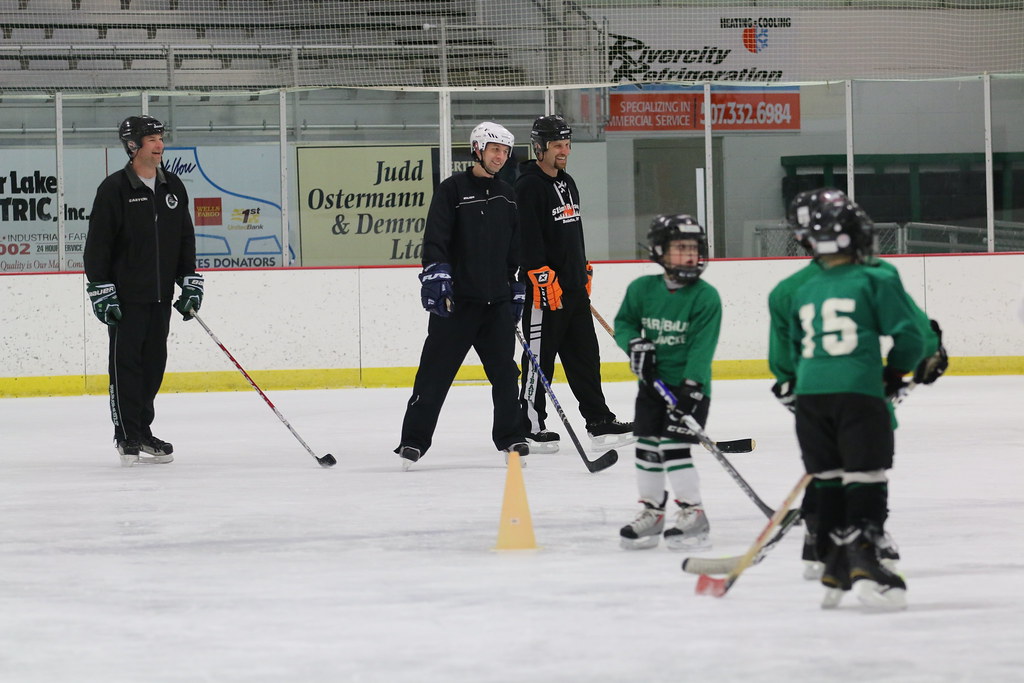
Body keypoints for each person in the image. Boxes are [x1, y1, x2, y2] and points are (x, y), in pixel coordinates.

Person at [769, 188, 948, 583]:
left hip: (812, 388)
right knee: (864, 464)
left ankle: (823, 540)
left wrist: (789, 383)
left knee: (828, 467)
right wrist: (922, 355)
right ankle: (861, 536)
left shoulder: (790, 288)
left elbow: (783, 359)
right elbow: (913, 331)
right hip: (859, 384)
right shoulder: (873, 271)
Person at [394, 121, 529, 471]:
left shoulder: (508, 194)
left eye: (505, 151)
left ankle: (511, 436)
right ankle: (413, 441)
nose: (500, 157)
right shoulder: (452, 190)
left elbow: (516, 245)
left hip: (496, 302)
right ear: (477, 150)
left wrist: (516, 286)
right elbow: (436, 237)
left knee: (504, 374)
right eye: (494, 150)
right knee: (434, 375)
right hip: (456, 304)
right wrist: (437, 276)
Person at [84, 114, 204, 467]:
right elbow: (98, 246)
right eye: (151, 138)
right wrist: (101, 290)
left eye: (160, 137)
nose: (159, 144)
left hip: (160, 296)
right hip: (126, 298)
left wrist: (190, 281)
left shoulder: (173, 187)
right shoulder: (114, 189)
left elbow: (184, 238)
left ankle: (144, 430)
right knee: (126, 366)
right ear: (133, 145)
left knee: (154, 365)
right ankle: (127, 435)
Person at [516, 114, 633, 455]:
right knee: (540, 362)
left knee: (585, 357)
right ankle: (530, 426)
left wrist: (581, 268)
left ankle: (599, 422)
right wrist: (538, 273)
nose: (564, 151)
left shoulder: (567, 182)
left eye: (567, 145)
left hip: (573, 290)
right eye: (557, 146)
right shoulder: (528, 186)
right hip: (544, 293)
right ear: (540, 147)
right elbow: (526, 238)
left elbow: (571, 232)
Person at [613, 215, 721, 550]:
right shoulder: (641, 289)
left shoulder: (706, 297)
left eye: (693, 248)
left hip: (690, 389)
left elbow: (702, 349)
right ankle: (653, 513)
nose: (689, 255)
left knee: (672, 448)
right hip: (652, 387)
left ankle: (694, 513)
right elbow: (624, 323)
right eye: (680, 248)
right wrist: (634, 344)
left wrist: (691, 388)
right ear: (660, 251)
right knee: (647, 447)